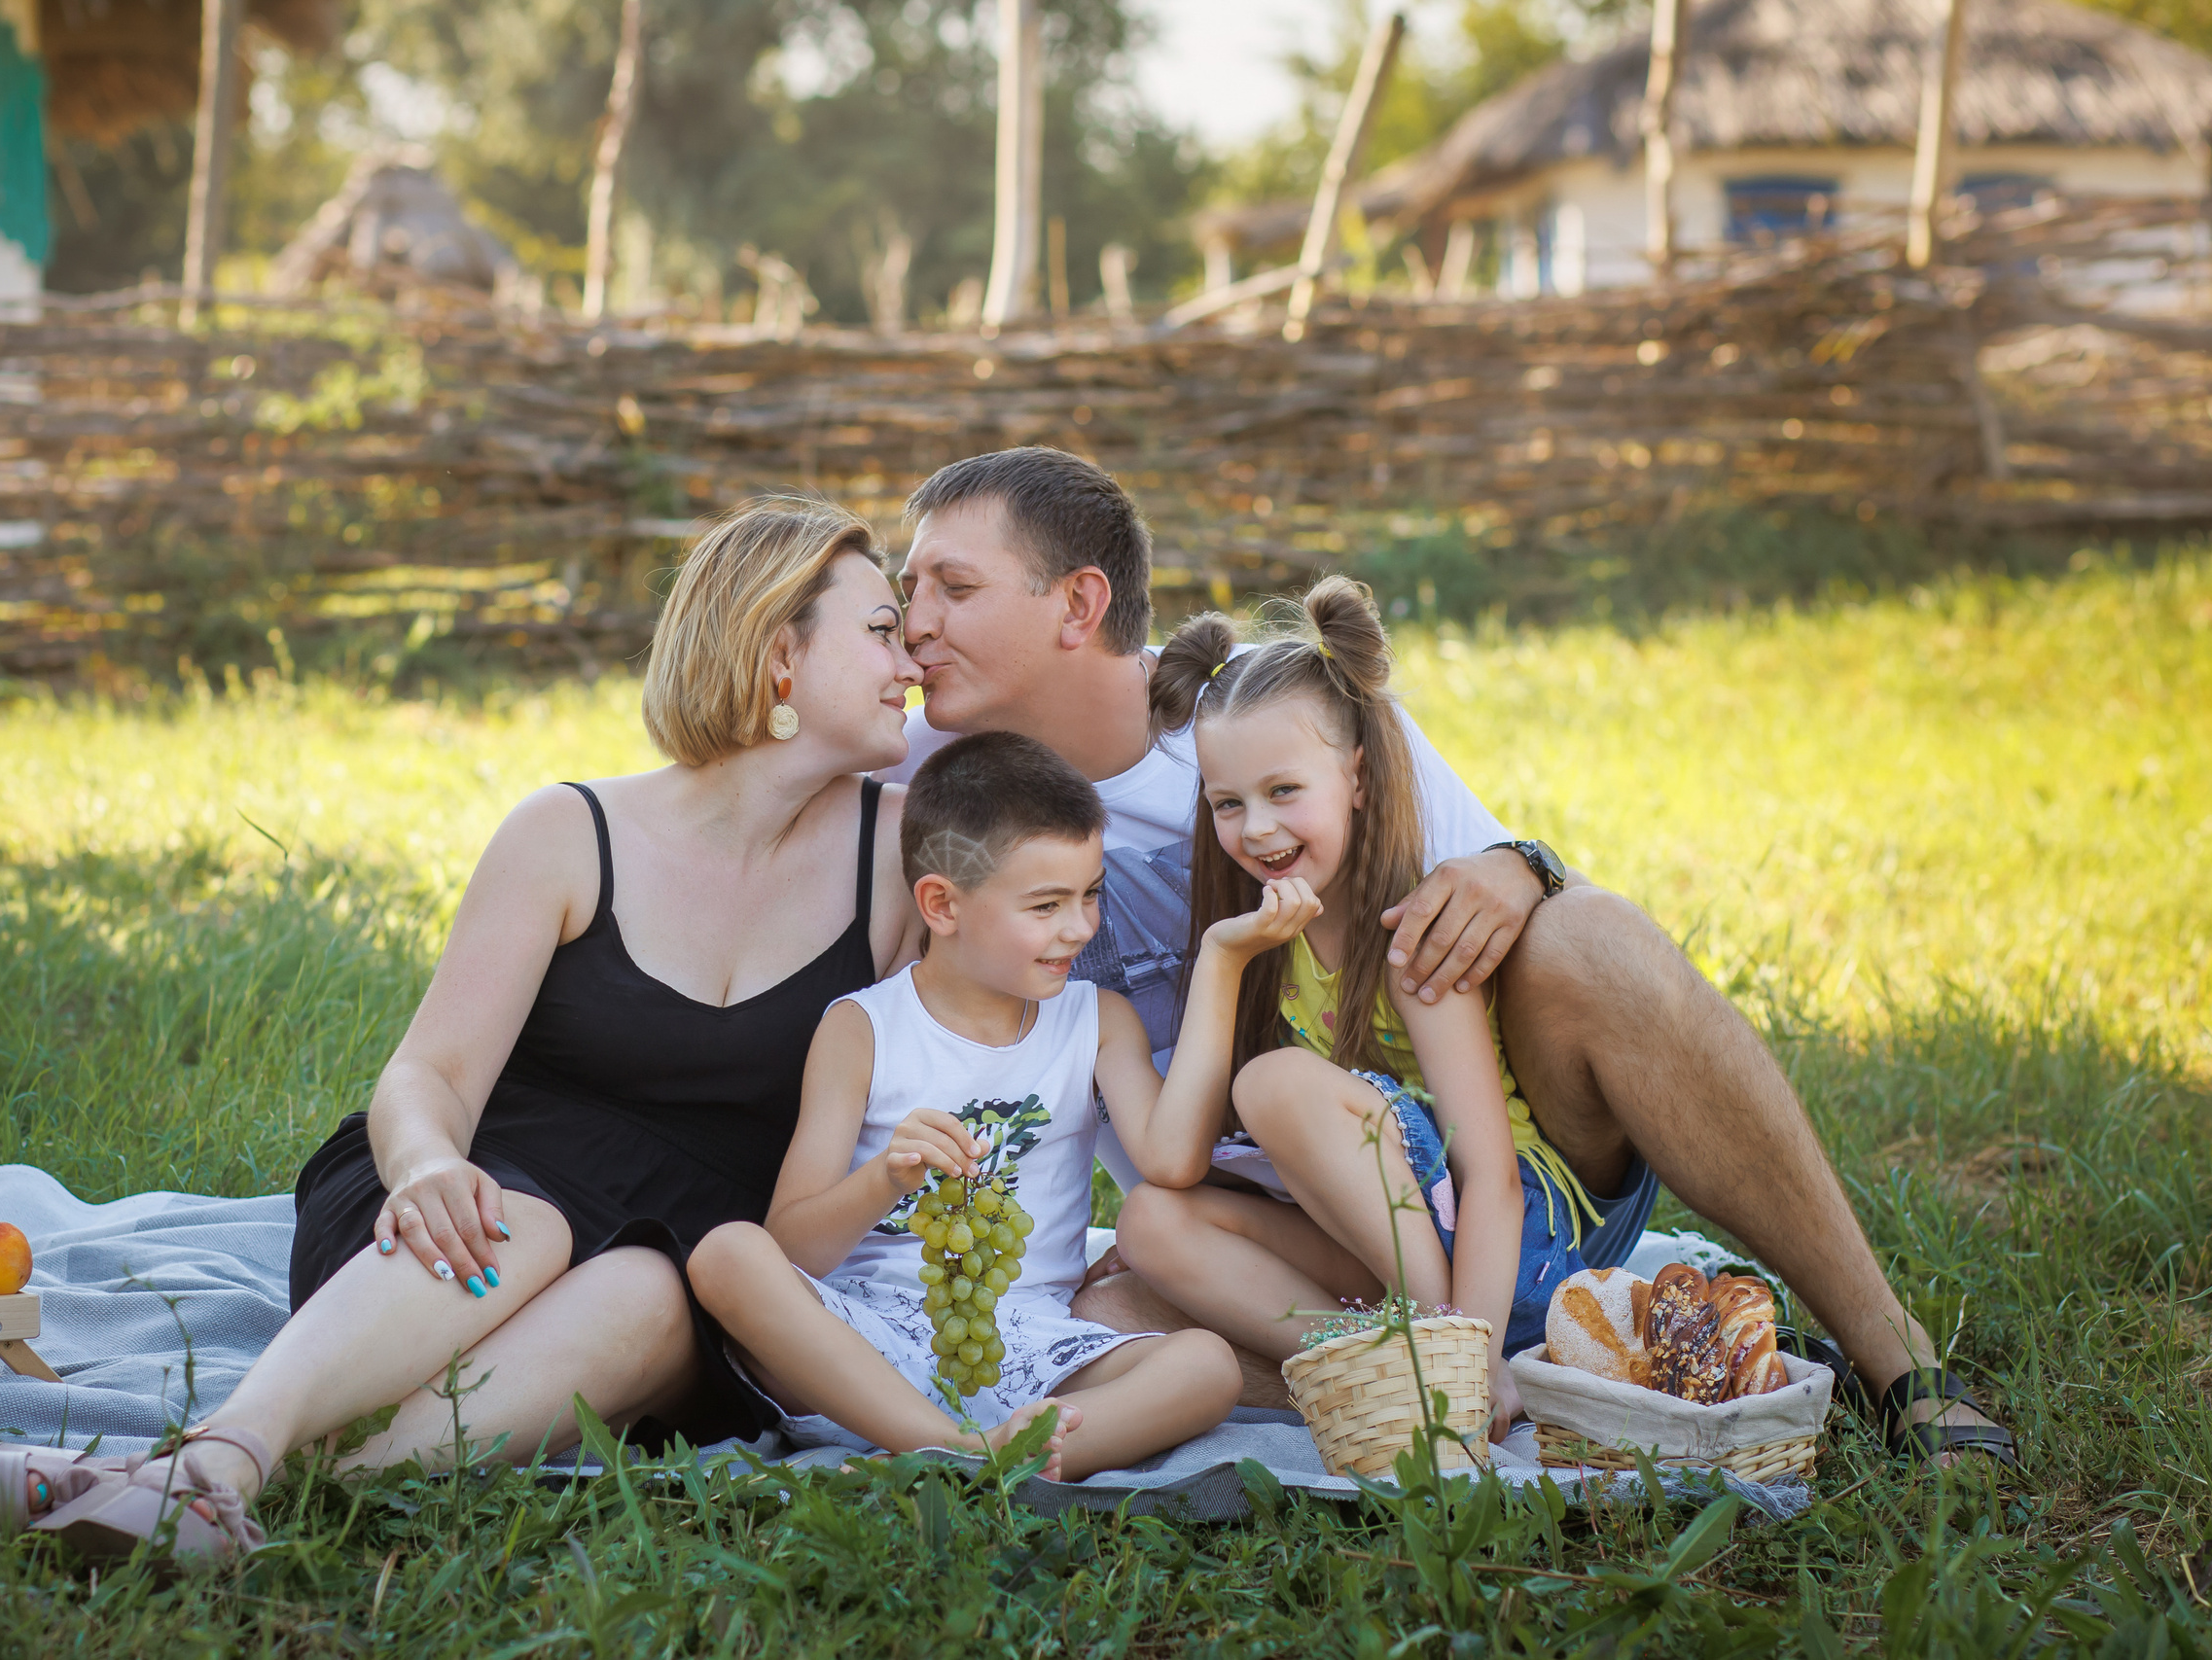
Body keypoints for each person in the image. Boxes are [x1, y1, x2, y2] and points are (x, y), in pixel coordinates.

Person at [885, 445, 2015, 1466]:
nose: (912, 621)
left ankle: (1896, 1364)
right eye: (904, 589)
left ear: (1079, 604)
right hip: (1277, 1247)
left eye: (953, 586)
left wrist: (1524, 863)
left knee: (1591, 937)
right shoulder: (928, 782)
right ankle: (1495, 1380)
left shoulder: (1271, 718)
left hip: (1473, 1185)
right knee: (1113, 1312)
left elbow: (1482, 914)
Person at [0, 497, 929, 1565]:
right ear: (777, 653)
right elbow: (431, 1071)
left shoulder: (896, 863)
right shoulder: (569, 833)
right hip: (467, 1206)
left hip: (687, 1259)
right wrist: (422, 1167)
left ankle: (174, 1482)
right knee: (525, 1223)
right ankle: (218, 1464)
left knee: (651, 1289)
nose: (910, 661)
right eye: (881, 630)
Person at [684, 731, 1249, 1481]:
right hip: (862, 1346)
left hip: (1032, 1349)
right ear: (942, 905)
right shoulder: (864, 1028)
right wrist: (885, 1176)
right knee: (728, 1254)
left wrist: (1222, 963)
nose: (1079, 927)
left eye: (1090, 894)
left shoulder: (1097, 1018)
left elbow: (1171, 1159)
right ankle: (959, 1453)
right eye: (1046, 905)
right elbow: (791, 1247)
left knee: (1207, 1365)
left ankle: (987, 1456)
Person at [1119, 577, 1601, 1439]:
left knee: (1270, 1085)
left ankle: (1443, 1356)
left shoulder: (1413, 934)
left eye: (1283, 791)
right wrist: (1224, 961)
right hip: (1392, 1240)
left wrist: (1481, 1350)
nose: (1256, 828)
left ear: (1358, 779)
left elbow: (1491, 1176)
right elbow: (1175, 1163)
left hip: (1507, 1254)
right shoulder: (1267, 941)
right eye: (1228, 803)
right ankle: (1379, 1361)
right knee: (1149, 1222)